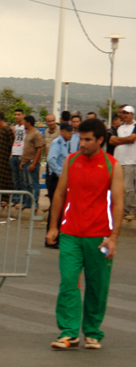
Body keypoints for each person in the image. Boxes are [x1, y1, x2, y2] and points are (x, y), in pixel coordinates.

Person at [46, 118, 123, 350]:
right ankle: (69, 333)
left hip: (100, 236)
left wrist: (114, 238)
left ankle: (92, 332)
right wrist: (53, 227)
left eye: (88, 139)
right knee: (69, 282)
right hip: (70, 234)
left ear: (100, 140)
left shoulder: (112, 165)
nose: (82, 143)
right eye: (81, 138)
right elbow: (59, 195)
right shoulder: (71, 161)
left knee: (97, 284)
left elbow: (118, 204)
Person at [44, 122, 72, 247]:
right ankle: (51, 238)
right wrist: (61, 174)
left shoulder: (66, 144)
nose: (71, 133)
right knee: (55, 207)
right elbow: (51, 159)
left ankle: (56, 237)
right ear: (62, 131)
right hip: (55, 178)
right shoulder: (58, 143)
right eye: (68, 131)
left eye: (71, 131)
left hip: (59, 178)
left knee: (60, 208)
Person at [109, 105, 136, 220]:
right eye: (123, 113)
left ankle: (131, 210)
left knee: (128, 187)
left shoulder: (135, 126)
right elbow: (111, 140)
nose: (125, 115)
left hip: (130, 160)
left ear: (132, 114)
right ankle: (123, 210)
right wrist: (125, 140)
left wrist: (119, 140)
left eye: (127, 113)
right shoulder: (119, 128)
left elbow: (132, 139)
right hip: (119, 161)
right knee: (119, 187)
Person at [20, 115, 44, 209]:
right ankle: (27, 202)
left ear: (28, 123)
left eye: (25, 122)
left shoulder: (36, 134)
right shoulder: (27, 133)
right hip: (26, 161)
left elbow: (39, 149)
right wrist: (22, 161)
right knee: (26, 184)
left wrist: (34, 163)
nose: (23, 124)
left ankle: (35, 203)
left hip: (32, 162)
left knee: (33, 183)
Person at [10, 109, 26, 206]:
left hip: (21, 155)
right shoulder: (14, 128)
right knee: (15, 179)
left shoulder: (25, 128)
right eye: (15, 114)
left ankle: (23, 200)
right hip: (14, 154)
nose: (17, 116)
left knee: (22, 180)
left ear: (23, 115)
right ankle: (15, 199)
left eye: (19, 114)